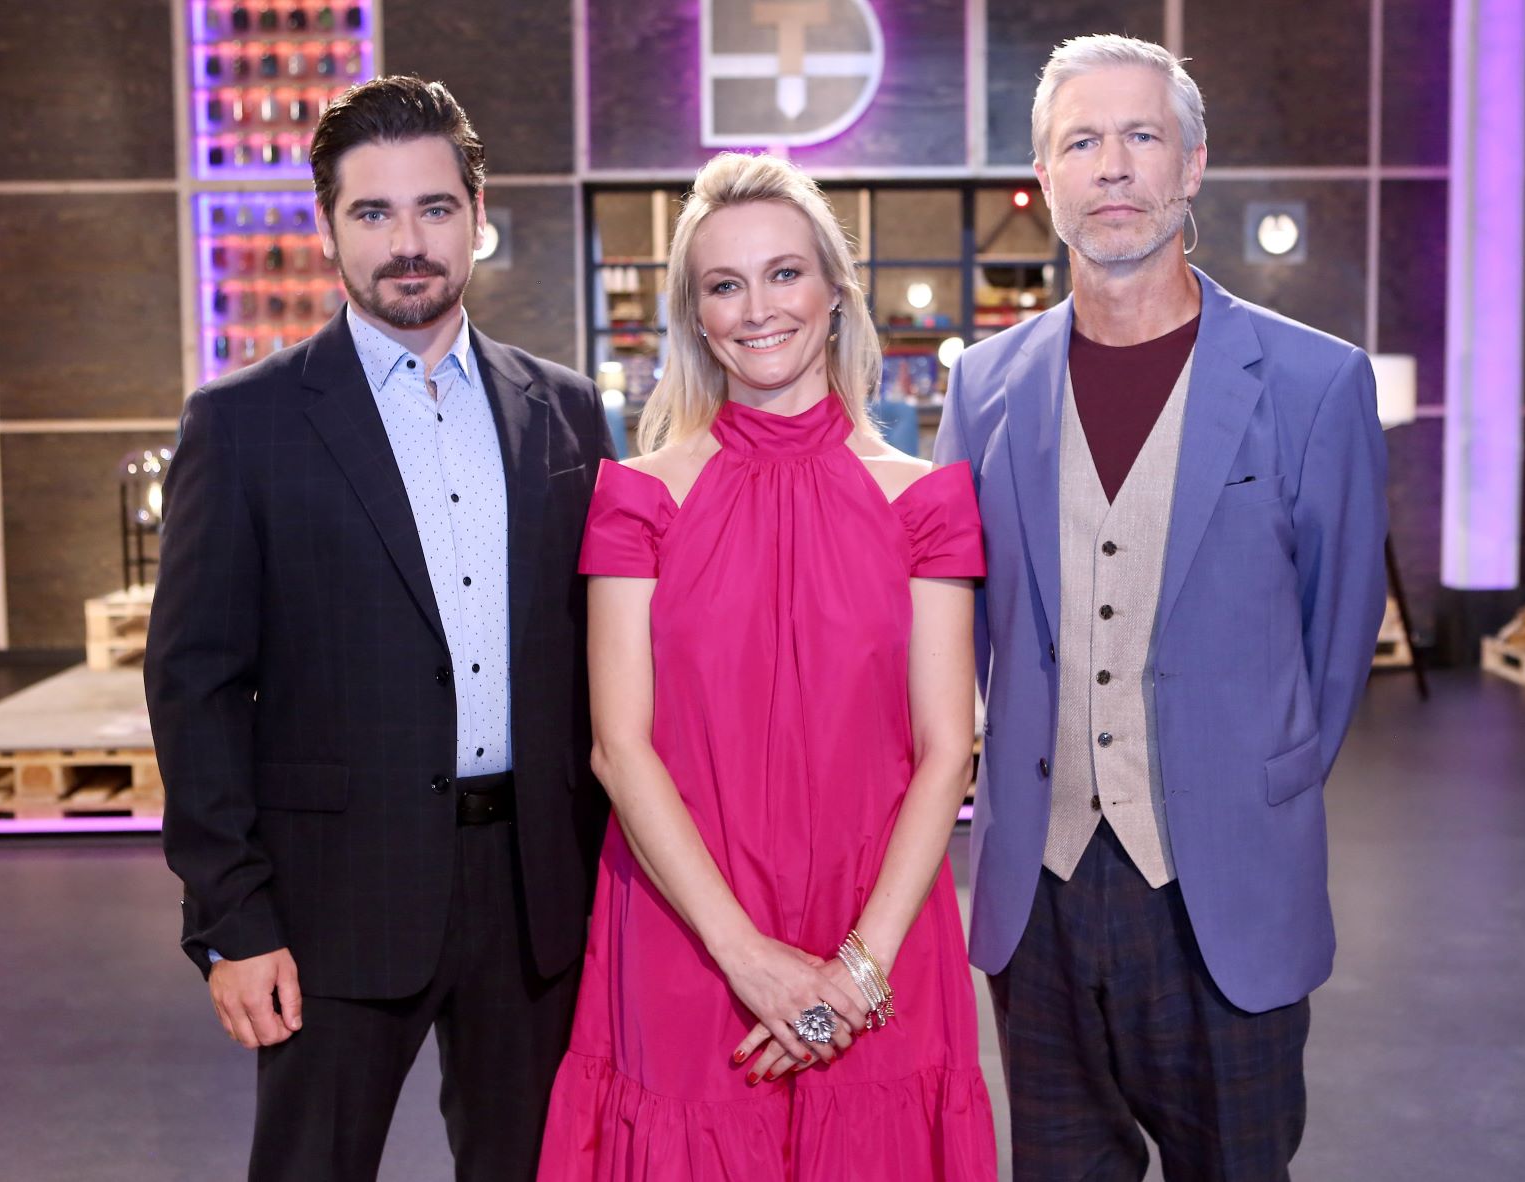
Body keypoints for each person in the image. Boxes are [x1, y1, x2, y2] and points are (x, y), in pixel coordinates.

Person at [934, 34, 1388, 1181]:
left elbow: (1334, 645)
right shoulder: (981, 388)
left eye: (1141, 135)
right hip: (1037, 894)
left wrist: (1246, 790)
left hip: (1225, 887)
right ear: (1043, 180)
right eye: (1081, 141)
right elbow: (969, 628)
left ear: (1191, 165)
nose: (1113, 165)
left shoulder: (1314, 383)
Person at [144, 76, 612, 1182]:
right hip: (330, 898)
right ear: (327, 229)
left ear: (476, 216)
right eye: (373, 212)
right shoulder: (242, 424)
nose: (408, 242)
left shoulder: (565, 409)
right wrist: (233, 917)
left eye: (434, 208)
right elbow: (196, 686)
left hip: (537, 896)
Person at [537, 152, 997, 1180]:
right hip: (687, 929)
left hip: (875, 926)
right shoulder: (636, 499)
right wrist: (747, 960)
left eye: (784, 273)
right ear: (696, 318)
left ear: (834, 291)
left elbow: (946, 751)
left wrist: (854, 978)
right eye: (724, 285)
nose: (757, 309)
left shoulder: (925, 500)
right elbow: (620, 750)